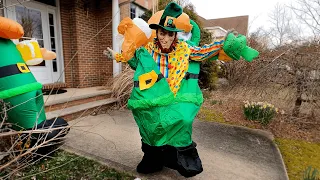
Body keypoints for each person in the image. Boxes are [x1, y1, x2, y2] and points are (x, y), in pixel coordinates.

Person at [107, 2, 259, 177]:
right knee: (151, 127)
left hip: (176, 99)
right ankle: (153, 159)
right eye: (162, 33)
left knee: (182, 122)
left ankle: (180, 159)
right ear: (156, 32)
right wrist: (117, 56)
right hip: (154, 98)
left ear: (175, 35)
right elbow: (137, 64)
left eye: (169, 34)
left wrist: (224, 44)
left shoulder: (185, 49)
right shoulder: (148, 50)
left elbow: (206, 51)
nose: (165, 38)